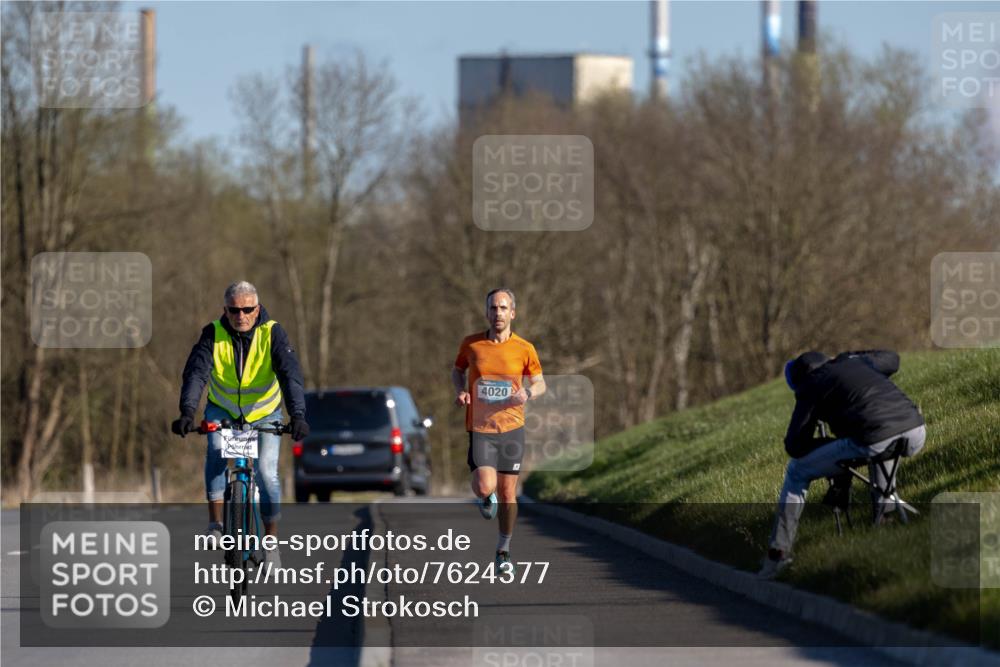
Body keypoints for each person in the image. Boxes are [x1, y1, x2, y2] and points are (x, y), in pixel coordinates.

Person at [171, 281, 309, 566]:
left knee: (267, 473)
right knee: (216, 451)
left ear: (257, 309)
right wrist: (187, 412)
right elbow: (196, 374)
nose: (241, 316)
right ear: (226, 310)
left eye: (247, 309)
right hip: (223, 409)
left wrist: (297, 416)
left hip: (264, 413)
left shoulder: (273, 333)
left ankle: (271, 543)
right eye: (234, 310)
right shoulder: (213, 333)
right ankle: (216, 525)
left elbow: (290, 376)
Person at [759, 349, 926, 579]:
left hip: (875, 438)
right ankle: (884, 522)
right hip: (916, 431)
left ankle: (778, 555)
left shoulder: (811, 385)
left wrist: (828, 443)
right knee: (878, 444)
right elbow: (893, 358)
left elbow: (795, 446)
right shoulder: (856, 362)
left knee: (796, 471)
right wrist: (853, 356)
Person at [452, 288, 545, 575]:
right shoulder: (472, 344)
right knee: (484, 485)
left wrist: (527, 394)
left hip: (512, 428)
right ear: (487, 313)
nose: (498, 313)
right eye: (493, 308)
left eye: (503, 308)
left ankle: (503, 551)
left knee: (508, 494)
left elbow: (540, 383)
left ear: (512, 313)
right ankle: (484, 496)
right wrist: (461, 391)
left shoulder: (525, 348)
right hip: (481, 427)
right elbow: (457, 371)